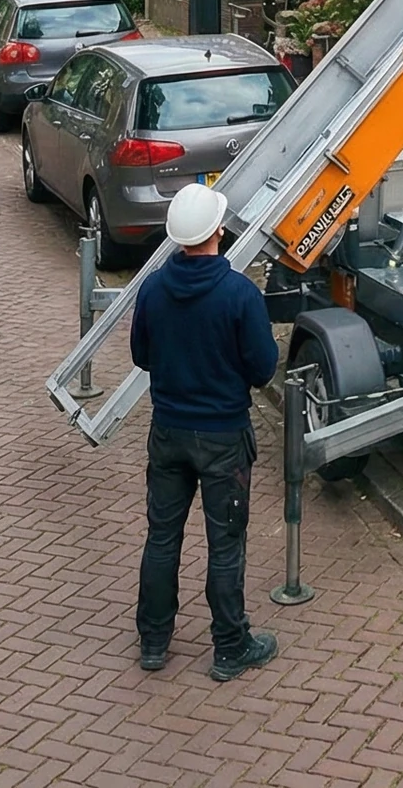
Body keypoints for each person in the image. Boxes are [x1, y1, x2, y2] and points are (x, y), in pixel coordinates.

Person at [130, 183, 280, 679]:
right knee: (225, 544)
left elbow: (141, 357)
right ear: (218, 230)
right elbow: (262, 369)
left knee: (161, 538)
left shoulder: (152, 288)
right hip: (222, 439)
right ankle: (230, 646)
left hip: (168, 432)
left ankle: (153, 642)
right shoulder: (239, 293)